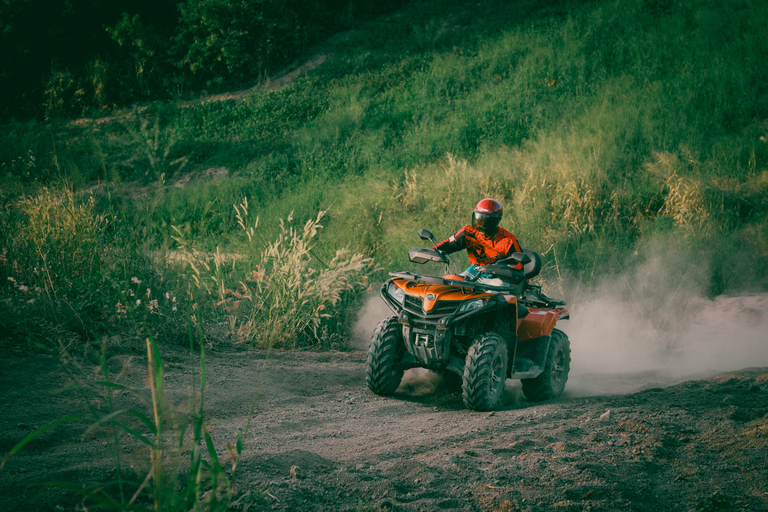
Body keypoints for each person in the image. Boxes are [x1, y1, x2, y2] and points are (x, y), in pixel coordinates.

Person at [433, 198, 522, 279]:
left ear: (494, 221)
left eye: (484, 222)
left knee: (490, 295)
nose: (480, 224)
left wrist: (501, 268)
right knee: (450, 281)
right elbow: (448, 245)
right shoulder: (468, 232)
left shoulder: (508, 240)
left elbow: (520, 264)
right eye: (478, 219)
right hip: (474, 270)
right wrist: (429, 252)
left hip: (497, 276)